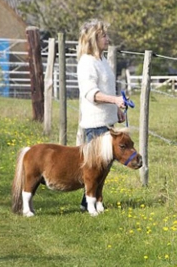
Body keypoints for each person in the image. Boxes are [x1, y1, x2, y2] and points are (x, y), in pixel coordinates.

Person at [76, 19, 127, 210]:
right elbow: (91, 94)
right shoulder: (87, 63)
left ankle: (93, 201)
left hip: (107, 121)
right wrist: (115, 100)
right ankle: (90, 202)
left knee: (103, 168)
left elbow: (106, 88)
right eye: (103, 35)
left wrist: (117, 110)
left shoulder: (102, 60)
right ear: (93, 39)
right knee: (95, 167)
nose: (107, 38)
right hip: (95, 123)